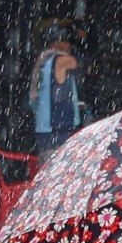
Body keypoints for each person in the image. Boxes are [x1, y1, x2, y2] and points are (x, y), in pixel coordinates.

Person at [28, 27, 82, 161]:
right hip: (58, 129)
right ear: (57, 43)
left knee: (47, 170)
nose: (69, 46)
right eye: (67, 42)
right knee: (61, 170)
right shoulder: (61, 60)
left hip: (44, 129)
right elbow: (79, 64)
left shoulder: (43, 61)